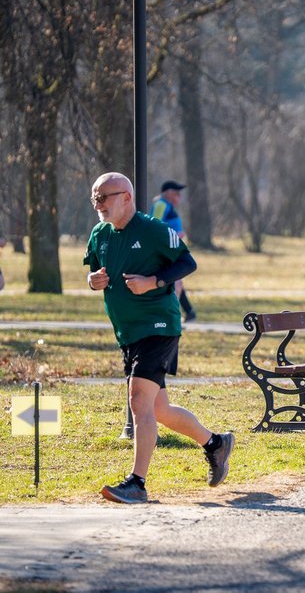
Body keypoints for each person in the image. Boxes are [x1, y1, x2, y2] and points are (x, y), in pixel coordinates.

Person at [85, 172, 233, 504]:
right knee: (159, 409)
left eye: (103, 197)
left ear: (126, 197)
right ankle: (215, 444)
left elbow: (187, 262)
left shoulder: (153, 230)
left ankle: (137, 483)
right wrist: (92, 280)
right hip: (129, 331)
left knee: (139, 400)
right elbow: (94, 272)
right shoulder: (99, 235)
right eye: (95, 198)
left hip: (159, 325)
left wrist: (152, 281)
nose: (98, 205)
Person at [149, 180, 197, 322]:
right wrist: (175, 236)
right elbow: (154, 228)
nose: (179, 197)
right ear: (168, 192)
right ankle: (170, 316)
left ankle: (184, 313)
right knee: (175, 282)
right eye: (176, 194)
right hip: (164, 252)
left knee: (175, 281)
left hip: (171, 251)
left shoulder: (167, 205)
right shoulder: (161, 205)